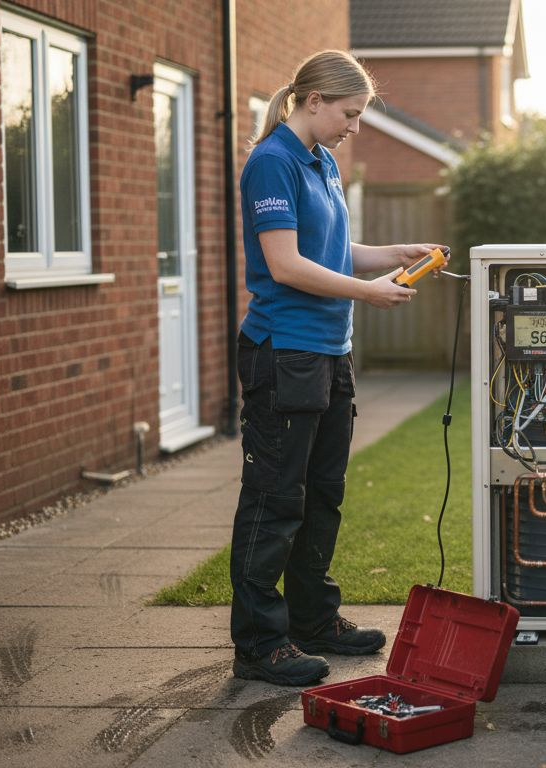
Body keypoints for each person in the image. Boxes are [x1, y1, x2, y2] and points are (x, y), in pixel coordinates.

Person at [230, 49, 443, 686]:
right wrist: (371, 292)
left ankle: (312, 620)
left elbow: (329, 248)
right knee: (275, 499)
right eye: (348, 114)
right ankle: (261, 644)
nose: (353, 127)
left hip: (328, 354)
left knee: (323, 495)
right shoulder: (272, 161)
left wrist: (394, 253)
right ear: (314, 100)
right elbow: (287, 265)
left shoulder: (320, 162)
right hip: (283, 354)